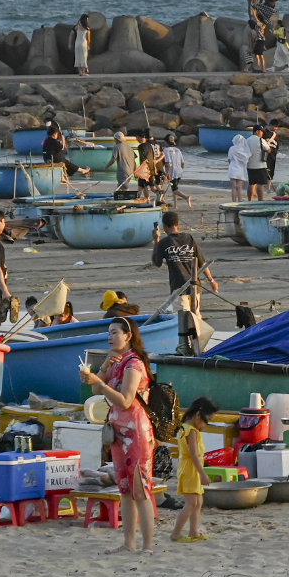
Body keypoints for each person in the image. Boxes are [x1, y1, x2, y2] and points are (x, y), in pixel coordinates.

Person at [78, 318, 157, 554]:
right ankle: (129, 543)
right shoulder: (116, 361)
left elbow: (125, 400)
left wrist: (100, 385)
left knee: (140, 490)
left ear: (128, 335)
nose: (110, 337)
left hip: (136, 433)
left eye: (114, 333)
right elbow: (94, 389)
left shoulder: (134, 364)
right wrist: (101, 370)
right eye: (108, 334)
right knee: (124, 490)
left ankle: (147, 546)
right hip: (118, 434)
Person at [170, 397, 218, 543]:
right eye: (206, 420)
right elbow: (194, 455)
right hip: (191, 469)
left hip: (189, 468)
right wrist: (202, 473)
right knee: (191, 503)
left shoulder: (184, 428)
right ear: (198, 415)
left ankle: (193, 532)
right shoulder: (192, 432)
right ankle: (176, 533)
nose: (206, 425)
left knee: (197, 501)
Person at [152, 210, 216, 313]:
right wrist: (211, 280)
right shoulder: (189, 238)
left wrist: (156, 241)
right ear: (178, 224)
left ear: (164, 226)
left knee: (185, 319)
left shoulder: (165, 242)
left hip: (180, 288)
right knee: (193, 316)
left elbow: (156, 263)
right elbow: (202, 263)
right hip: (193, 285)